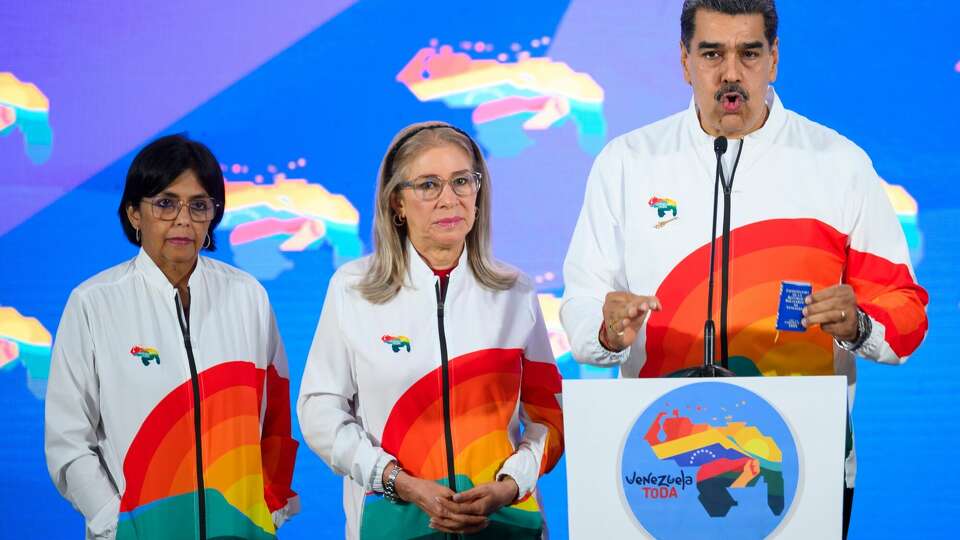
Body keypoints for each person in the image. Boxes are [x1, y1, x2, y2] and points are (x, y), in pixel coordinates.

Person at [559, 1, 928, 537]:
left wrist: (859, 325)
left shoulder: (838, 164)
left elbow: (905, 310)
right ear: (684, 61)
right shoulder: (627, 163)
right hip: (664, 468)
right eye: (712, 53)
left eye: (749, 53)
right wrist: (605, 331)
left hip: (799, 462)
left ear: (773, 59)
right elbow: (581, 303)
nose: (731, 72)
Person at [298, 121, 564, 539]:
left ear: (479, 194)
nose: (449, 200)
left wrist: (510, 485)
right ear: (396, 204)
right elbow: (319, 410)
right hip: (393, 523)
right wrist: (395, 480)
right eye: (428, 185)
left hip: (505, 524)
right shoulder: (353, 289)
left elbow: (548, 415)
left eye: (462, 181)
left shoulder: (515, 290)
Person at [44, 134, 299, 540]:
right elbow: (68, 442)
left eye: (199, 205)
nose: (183, 219)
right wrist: (118, 524)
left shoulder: (248, 295)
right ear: (133, 213)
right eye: (165, 203)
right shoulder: (93, 303)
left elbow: (276, 417)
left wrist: (267, 507)